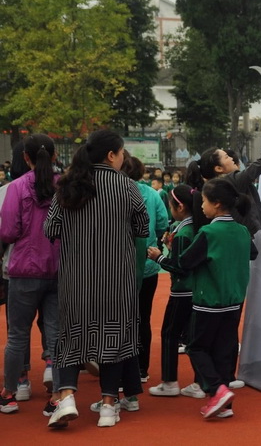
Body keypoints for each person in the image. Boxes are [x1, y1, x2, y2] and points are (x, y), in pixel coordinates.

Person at [44, 129, 150, 428]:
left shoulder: (68, 185)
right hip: (117, 278)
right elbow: (143, 228)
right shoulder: (127, 186)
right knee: (114, 338)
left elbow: (50, 228)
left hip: (75, 278)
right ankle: (107, 405)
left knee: (70, 335)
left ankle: (66, 397)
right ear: (111, 155)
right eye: (121, 152)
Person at [147, 177, 257, 419]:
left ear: (217, 204)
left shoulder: (209, 232)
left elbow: (183, 264)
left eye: (205, 201)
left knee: (196, 347)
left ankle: (217, 390)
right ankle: (223, 401)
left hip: (209, 301)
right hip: (234, 301)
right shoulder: (241, 230)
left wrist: (159, 257)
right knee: (223, 350)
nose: (202, 206)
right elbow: (253, 253)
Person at [0, 135, 61, 417]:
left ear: (25, 157)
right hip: (57, 268)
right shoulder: (64, 187)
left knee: (17, 335)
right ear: (55, 155)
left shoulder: (16, 187)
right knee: (55, 334)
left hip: (24, 269)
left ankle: (10, 393)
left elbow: (8, 232)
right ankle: (59, 396)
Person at [147, 184, 202, 399]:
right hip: (195, 290)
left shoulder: (183, 233)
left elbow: (180, 266)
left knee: (169, 334)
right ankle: (200, 382)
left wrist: (158, 257)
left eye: (170, 205)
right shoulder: (194, 227)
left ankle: (169, 381)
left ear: (179, 207)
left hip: (181, 291)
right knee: (194, 337)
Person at [119, 155, 169, 386]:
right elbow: (162, 223)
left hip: (117, 266)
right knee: (143, 318)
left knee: (118, 319)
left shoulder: (112, 193)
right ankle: (141, 368)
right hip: (147, 264)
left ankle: (118, 369)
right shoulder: (151, 194)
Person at [195, 113, 261, 237]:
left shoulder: (215, 186)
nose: (231, 158)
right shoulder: (232, 181)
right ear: (218, 168)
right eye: (226, 157)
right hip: (247, 236)